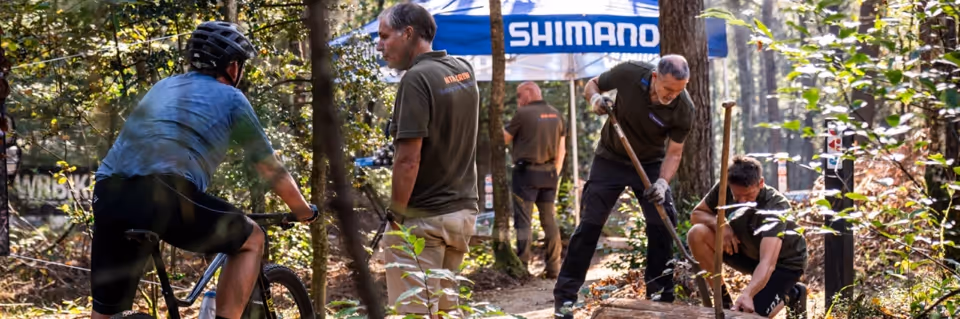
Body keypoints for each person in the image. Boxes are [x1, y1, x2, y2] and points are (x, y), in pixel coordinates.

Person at [89, 21, 318, 319]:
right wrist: (303, 211)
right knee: (252, 239)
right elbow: (269, 167)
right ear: (233, 67)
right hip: (163, 189)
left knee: (106, 313)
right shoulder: (232, 98)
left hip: (108, 192)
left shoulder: (163, 86)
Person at [554, 55, 695, 317]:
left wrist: (662, 183)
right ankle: (565, 299)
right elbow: (592, 85)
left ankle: (659, 298)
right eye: (667, 89)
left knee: (663, 224)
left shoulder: (684, 107)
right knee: (589, 226)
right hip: (610, 159)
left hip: (651, 165)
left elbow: (674, 153)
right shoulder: (630, 73)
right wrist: (595, 100)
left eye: (679, 90)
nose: (672, 96)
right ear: (655, 77)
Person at [375, 2, 480, 317]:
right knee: (447, 309)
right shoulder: (463, 69)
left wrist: (395, 217)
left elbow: (408, 159)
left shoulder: (416, 79)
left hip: (425, 220)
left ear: (408, 34)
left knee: (414, 312)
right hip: (462, 213)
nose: (380, 45)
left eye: (384, 36)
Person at [686, 155, 807, 318]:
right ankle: (723, 299)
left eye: (748, 195)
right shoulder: (724, 188)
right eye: (737, 195)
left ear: (761, 183)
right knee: (697, 233)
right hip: (746, 252)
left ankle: (793, 293)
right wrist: (721, 225)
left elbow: (768, 263)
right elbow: (697, 214)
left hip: (782, 265)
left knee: (749, 315)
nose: (742, 201)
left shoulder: (776, 206)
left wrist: (748, 294)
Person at [503, 82, 565, 278]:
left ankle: (522, 266)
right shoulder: (556, 114)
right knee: (549, 221)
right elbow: (562, 150)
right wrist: (554, 172)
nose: (518, 101)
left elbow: (503, 139)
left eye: (519, 96)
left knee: (523, 221)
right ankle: (554, 268)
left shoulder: (522, 114)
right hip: (549, 174)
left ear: (528, 95)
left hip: (525, 175)